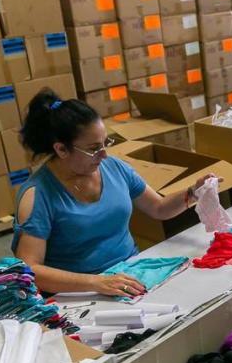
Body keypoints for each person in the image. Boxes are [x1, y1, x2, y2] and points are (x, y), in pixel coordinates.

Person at [14, 90, 218, 297]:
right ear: (61, 149)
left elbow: (158, 208)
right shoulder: (38, 195)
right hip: (78, 293)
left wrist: (193, 192)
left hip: (128, 276)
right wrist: (96, 282)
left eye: (105, 143)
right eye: (94, 149)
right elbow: (29, 269)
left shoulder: (115, 169)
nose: (104, 154)